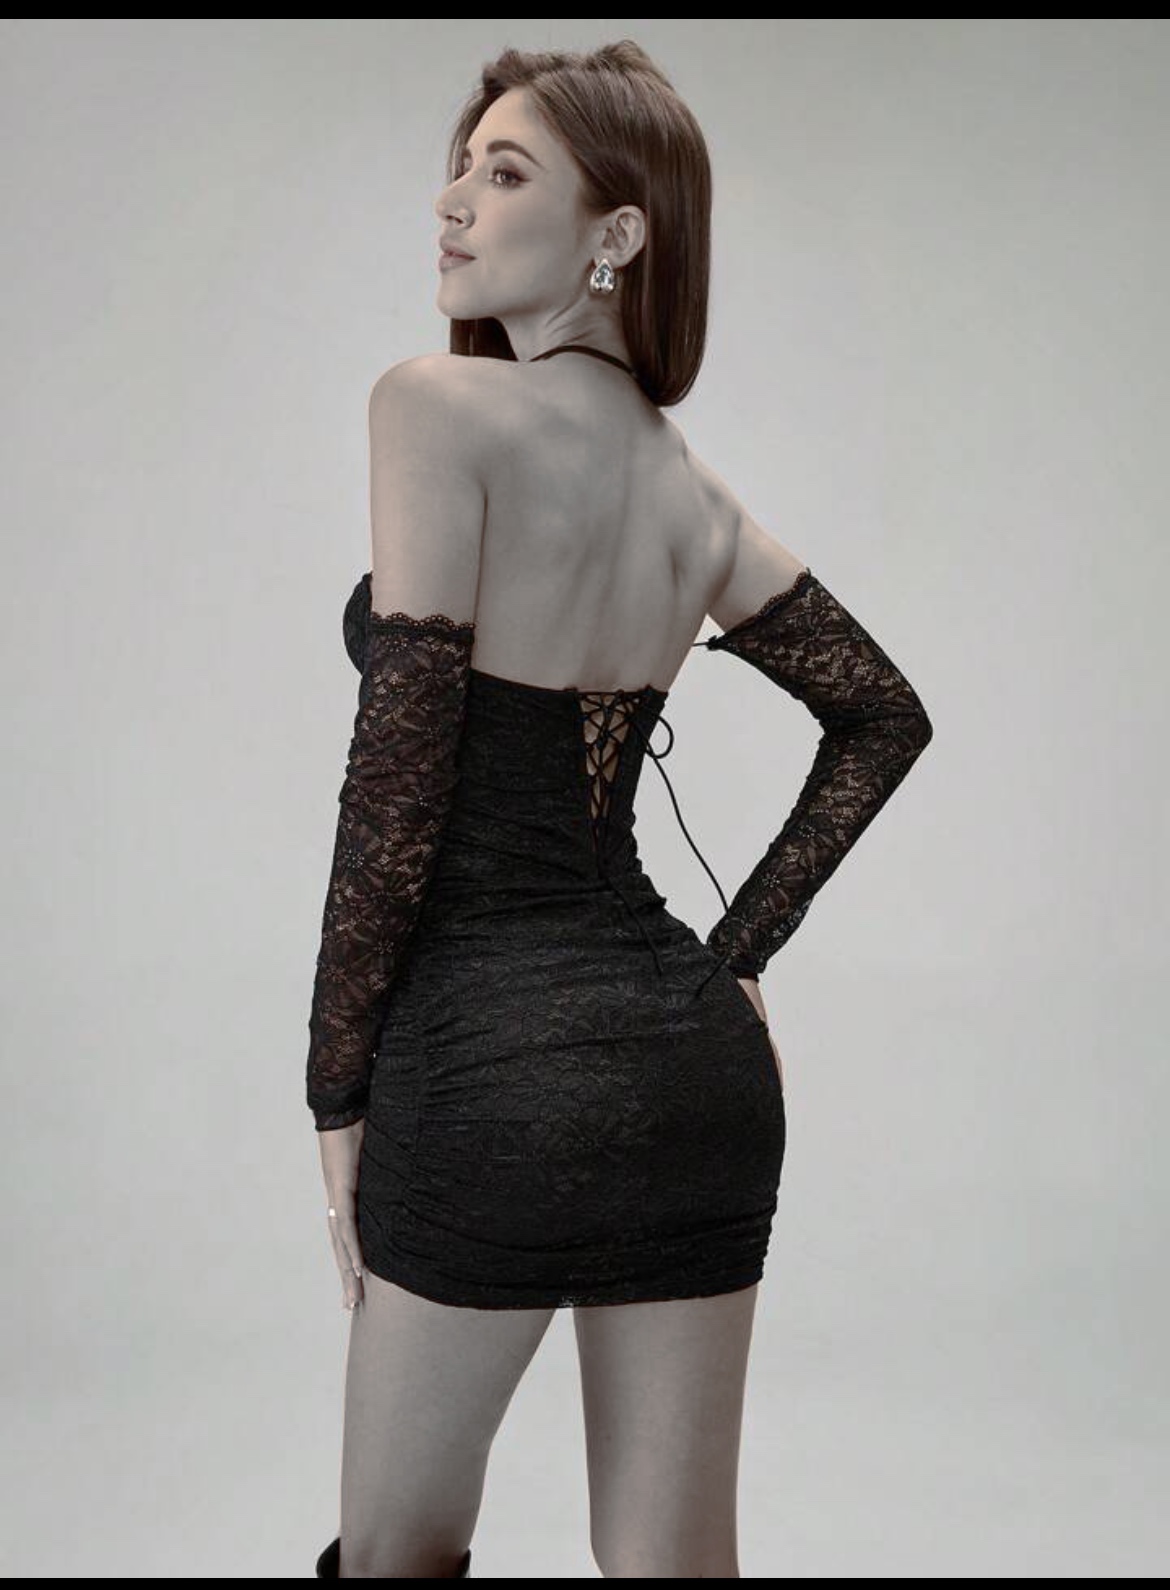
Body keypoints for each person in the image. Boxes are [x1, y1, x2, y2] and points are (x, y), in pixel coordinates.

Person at [304, 40, 933, 1580]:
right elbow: (882, 712)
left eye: (504, 170)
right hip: (692, 1077)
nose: (453, 200)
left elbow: (397, 782)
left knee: (392, 1555)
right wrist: (730, 961)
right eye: (458, 166)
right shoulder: (696, 497)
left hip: (484, 1071)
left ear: (618, 234)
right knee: (672, 1562)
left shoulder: (434, 408)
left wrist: (332, 1092)